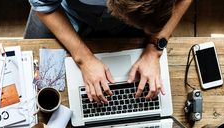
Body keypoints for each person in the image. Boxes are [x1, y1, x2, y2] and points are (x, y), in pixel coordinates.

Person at [25, 0, 193, 103]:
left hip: (123, 21)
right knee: (31, 72)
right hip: (63, 12)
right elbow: (44, 5)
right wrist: (85, 59)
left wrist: (155, 47)